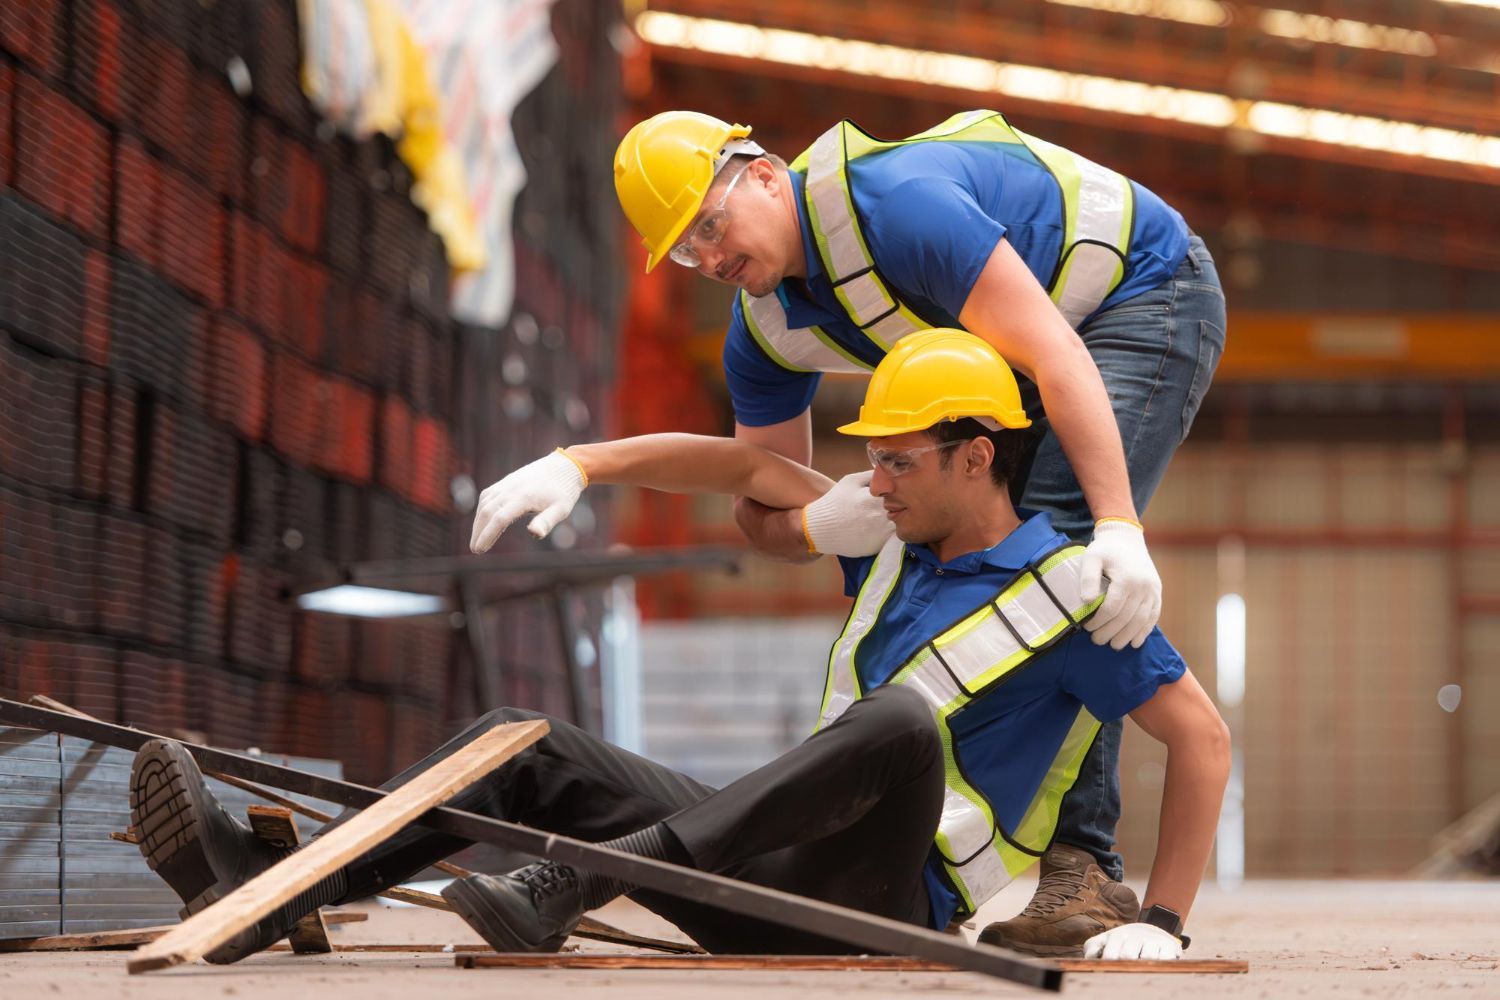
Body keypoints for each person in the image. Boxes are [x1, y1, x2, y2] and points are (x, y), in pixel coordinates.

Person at [133, 332, 1229, 963]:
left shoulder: (1074, 596)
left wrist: (1168, 923)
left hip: (886, 909)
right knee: (529, 744)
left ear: (977, 456)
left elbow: (1203, 742)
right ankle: (270, 881)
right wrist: (583, 465)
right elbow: (740, 469)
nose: (873, 482)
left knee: (898, 724)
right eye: (872, 460)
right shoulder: (893, 543)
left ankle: (572, 886)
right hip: (770, 874)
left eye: (897, 461)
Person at [599, 109, 1228, 952]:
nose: (709, 259)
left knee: (1061, 564)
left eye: (710, 225)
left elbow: (1058, 357)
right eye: (685, 250)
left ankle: (1086, 866)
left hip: (1141, 296)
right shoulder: (762, 333)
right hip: (1032, 351)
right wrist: (818, 521)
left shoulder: (898, 208)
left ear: (761, 173)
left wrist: (1115, 526)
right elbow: (760, 500)